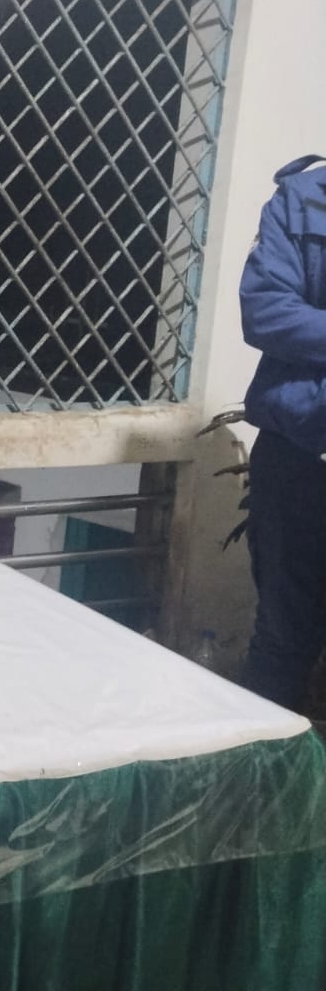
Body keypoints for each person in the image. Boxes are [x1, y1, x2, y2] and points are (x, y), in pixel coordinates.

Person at [237, 154, 326, 712]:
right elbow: (265, 310)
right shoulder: (303, 198)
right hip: (299, 459)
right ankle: (262, 769)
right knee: (282, 643)